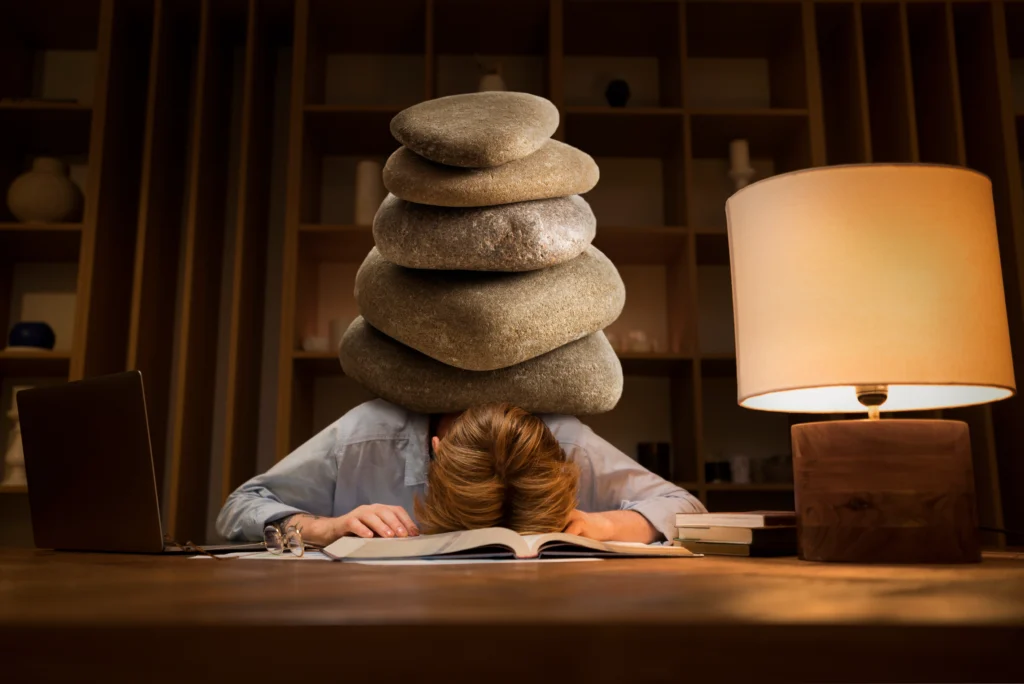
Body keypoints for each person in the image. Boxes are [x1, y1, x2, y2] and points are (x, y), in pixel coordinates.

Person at [216, 400, 705, 546]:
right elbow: (239, 505)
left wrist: (607, 524)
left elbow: (687, 506)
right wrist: (324, 527)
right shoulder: (366, 436)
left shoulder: (566, 442)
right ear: (436, 453)